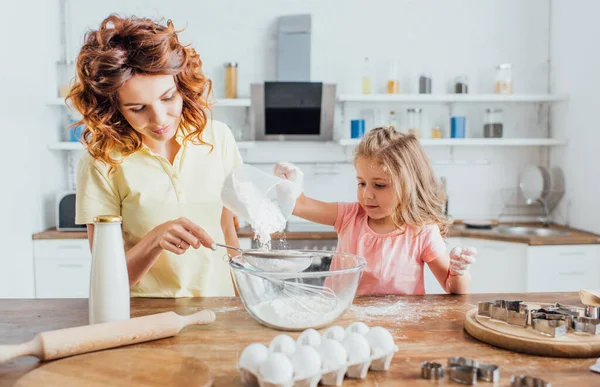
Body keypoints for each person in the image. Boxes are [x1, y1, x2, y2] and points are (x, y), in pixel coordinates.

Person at [69, 15, 242, 297]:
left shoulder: (217, 137)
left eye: (168, 97)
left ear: (182, 85)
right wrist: (154, 241)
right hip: (149, 320)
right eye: (138, 108)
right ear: (113, 108)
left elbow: (226, 229)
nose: (160, 119)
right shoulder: (102, 161)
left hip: (220, 312)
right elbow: (107, 280)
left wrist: (247, 294)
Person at [274, 127, 477, 295]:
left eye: (379, 185)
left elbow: (453, 287)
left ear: (408, 186)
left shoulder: (422, 231)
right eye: (361, 183)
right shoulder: (348, 216)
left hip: (401, 330)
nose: (367, 195)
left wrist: (459, 272)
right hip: (343, 321)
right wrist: (290, 185)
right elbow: (300, 206)